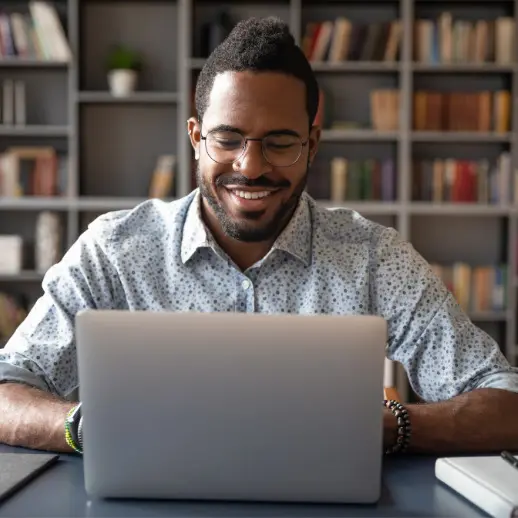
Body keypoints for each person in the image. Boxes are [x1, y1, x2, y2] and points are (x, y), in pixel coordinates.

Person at [1, 17, 517, 455]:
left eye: (280, 143)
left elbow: (505, 402)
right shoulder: (115, 251)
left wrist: (393, 426)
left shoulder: (375, 258)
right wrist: (89, 427)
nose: (251, 166)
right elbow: (6, 390)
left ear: (312, 144)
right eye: (227, 139)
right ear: (196, 137)